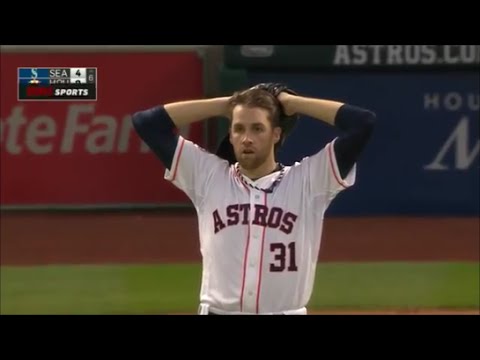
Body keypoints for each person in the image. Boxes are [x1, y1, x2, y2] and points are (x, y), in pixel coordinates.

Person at [131, 83, 376, 315]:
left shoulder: (309, 181)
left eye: (257, 128)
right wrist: (228, 104)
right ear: (231, 134)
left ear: (276, 134)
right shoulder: (207, 176)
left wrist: (291, 103)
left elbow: (362, 123)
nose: (247, 138)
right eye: (239, 128)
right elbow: (147, 123)